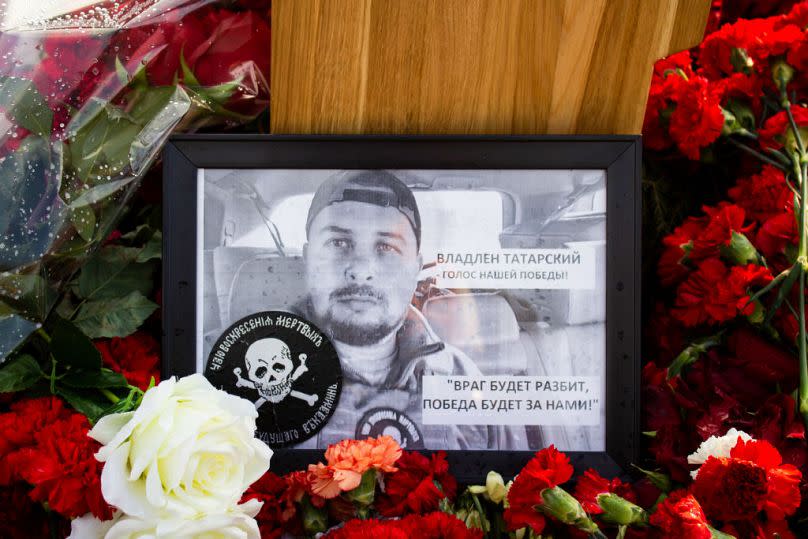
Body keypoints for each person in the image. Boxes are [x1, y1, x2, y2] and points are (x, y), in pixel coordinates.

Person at [293, 170, 529, 450]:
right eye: (338, 243)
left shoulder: (459, 376)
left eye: (386, 246)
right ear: (306, 260)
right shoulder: (252, 371)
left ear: (415, 270)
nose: (360, 270)